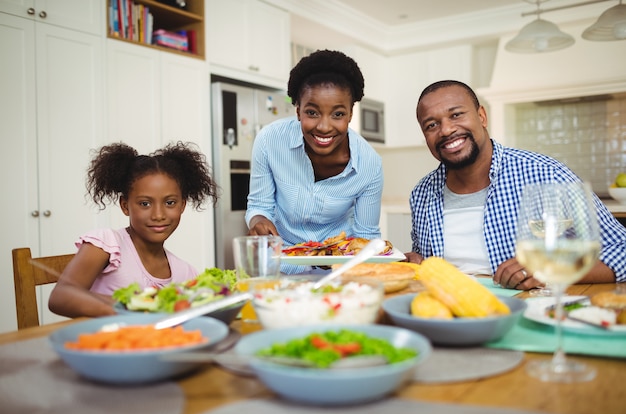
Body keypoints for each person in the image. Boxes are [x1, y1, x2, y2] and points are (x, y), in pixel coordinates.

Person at [406, 80, 626, 289]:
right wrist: (414, 263)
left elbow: (621, 249)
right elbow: (427, 266)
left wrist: (548, 270)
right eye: (431, 125)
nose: (445, 130)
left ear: (482, 116)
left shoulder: (546, 173)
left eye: (456, 114)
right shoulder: (422, 194)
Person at [245, 49, 384, 274]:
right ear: (298, 110)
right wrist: (258, 221)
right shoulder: (269, 141)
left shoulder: (369, 165)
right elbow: (259, 205)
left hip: (337, 270)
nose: (324, 126)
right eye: (312, 112)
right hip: (281, 265)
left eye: (338, 114)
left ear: (350, 114)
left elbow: (365, 236)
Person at [48, 142, 219, 318]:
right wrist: (133, 308)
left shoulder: (186, 272)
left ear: (182, 205)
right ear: (125, 206)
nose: (158, 215)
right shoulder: (107, 244)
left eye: (170, 203)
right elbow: (60, 297)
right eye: (145, 204)